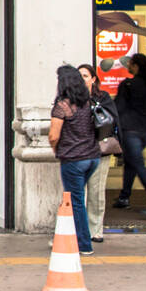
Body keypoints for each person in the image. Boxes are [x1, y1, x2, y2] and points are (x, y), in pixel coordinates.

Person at [48, 65, 101, 255]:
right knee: (72, 199)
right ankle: (62, 236)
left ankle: (84, 244)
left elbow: (54, 135)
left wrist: (56, 150)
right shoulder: (88, 102)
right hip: (93, 158)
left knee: (75, 201)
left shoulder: (63, 105)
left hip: (74, 159)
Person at [113, 52, 146, 211]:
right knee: (131, 162)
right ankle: (124, 196)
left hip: (130, 129)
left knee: (137, 163)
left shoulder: (127, 85)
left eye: (130, 63)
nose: (128, 66)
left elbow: (118, 108)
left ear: (136, 66)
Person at [78, 63, 120, 244]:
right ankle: (80, 229)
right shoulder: (71, 98)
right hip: (78, 150)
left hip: (99, 150)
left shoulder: (102, 97)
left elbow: (112, 120)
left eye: (85, 76)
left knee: (96, 191)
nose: (82, 79)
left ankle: (95, 230)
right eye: (79, 76)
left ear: (93, 78)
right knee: (79, 192)